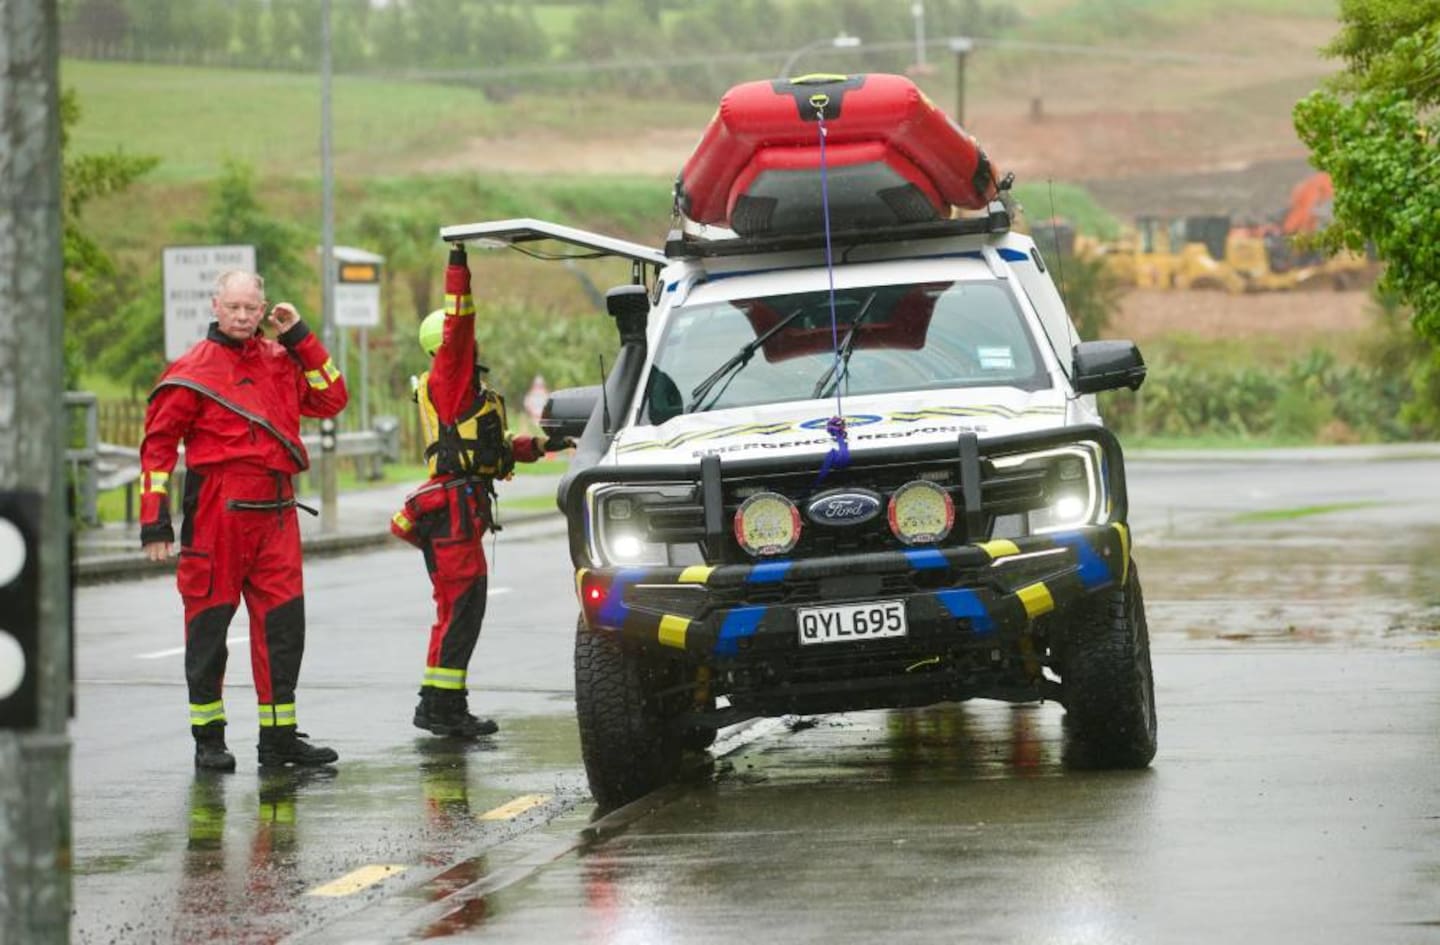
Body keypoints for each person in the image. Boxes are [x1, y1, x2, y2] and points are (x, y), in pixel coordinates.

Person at [139, 270, 347, 771]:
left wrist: (299, 335)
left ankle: (278, 741)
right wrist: (155, 524)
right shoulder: (191, 371)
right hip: (218, 510)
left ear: (264, 309)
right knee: (208, 628)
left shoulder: (280, 360)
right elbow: (158, 448)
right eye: (232, 306)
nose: (241, 315)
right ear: (215, 305)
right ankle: (209, 739)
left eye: (251, 308)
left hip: (277, 512)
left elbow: (332, 396)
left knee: (283, 629)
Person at [389, 244, 565, 738]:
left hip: (460, 508)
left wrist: (543, 445)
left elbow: (493, 448)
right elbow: (460, 327)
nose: (473, 346)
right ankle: (442, 709)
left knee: (459, 610)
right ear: (443, 348)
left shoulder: (465, 395)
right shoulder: (449, 378)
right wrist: (458, 268)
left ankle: (440, 703)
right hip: (451, 513)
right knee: (460, 608)